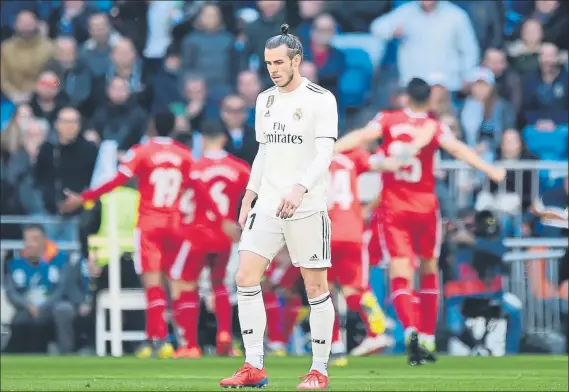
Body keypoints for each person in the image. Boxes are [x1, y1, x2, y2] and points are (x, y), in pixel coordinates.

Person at [334, 77, 506, 365]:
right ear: (429, 100)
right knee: (428, 267)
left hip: (394, 209)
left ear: (405, 98)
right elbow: (459, 149)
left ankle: (411, 329)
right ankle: (426, 336)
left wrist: (330, 149)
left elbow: (363, 136)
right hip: (426, 207)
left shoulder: (387, 119)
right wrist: (489, 169)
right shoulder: (433, 126)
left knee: (400, 271)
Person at [220, 24, 338, 390]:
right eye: (268, 63)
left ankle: (319, 370)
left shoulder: (321, 99)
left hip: (307, 205)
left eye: (279, 62)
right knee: (245, 277)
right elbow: (264, 151)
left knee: (315, 286)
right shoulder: (265, 100)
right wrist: (249, 194)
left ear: (297, 61)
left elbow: (325, 152)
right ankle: (254, 363)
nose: (273, 69)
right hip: (269, 202)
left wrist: (300, 188)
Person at [58, 111, 231, 359]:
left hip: (150, 225)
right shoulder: (184, 155)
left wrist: (84, 197)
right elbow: (201, 189)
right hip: (175, 225)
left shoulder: (142, 151)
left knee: (153, 286)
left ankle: (158, 340)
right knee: (177, 284)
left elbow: (116, 180)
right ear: (173, 129)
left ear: (152, 126)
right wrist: (221, 218)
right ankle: (185, 342)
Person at [168, 124, 249, 358]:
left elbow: (182, 201)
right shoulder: (240, 168)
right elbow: (255, 195)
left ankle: (191, 345)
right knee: (220, 284)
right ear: (224, 138)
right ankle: (224, 334)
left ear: (202, 139)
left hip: (197, 234)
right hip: (225, 236)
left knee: (186, 284)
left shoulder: (193, 166)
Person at [327, 149, 390, 364]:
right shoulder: (350, 157)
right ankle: (377, 330)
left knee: (323, 292)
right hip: (352, 231)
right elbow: (385, 172)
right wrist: (367, 209)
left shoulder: (308, 158)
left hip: (323, 233)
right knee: (354, 289)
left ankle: (335, 346)